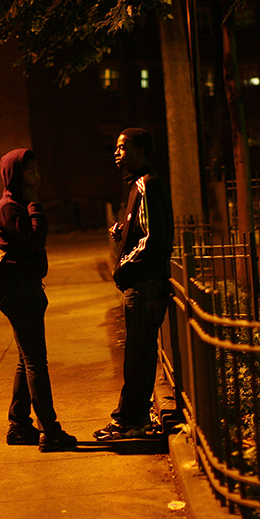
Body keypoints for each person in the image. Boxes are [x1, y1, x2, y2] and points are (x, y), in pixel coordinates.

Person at [0, 148, 77, 452]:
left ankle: (19, 426)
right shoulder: (11, 207)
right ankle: (50, 430)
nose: (38, 176)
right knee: (35, 362)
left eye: (38, 170)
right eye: (31, 172)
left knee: (25, 358)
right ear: (16, 176)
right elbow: (36, 239)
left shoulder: (15, 204)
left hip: (23, 288)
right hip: (18, 290)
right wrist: (36, 205)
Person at [94, 128, 174, 441]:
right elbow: (142, 227)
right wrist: (122, 229)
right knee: (138, 356)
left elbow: (154, 237)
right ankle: (134, 417)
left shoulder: (146, 185)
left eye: (122, 147)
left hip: (143, 285)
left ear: (139, 152)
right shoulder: (139, 186)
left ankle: (129, 421)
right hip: (144, 285)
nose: (117, 152)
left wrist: (123, 267)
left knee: (137, 357)